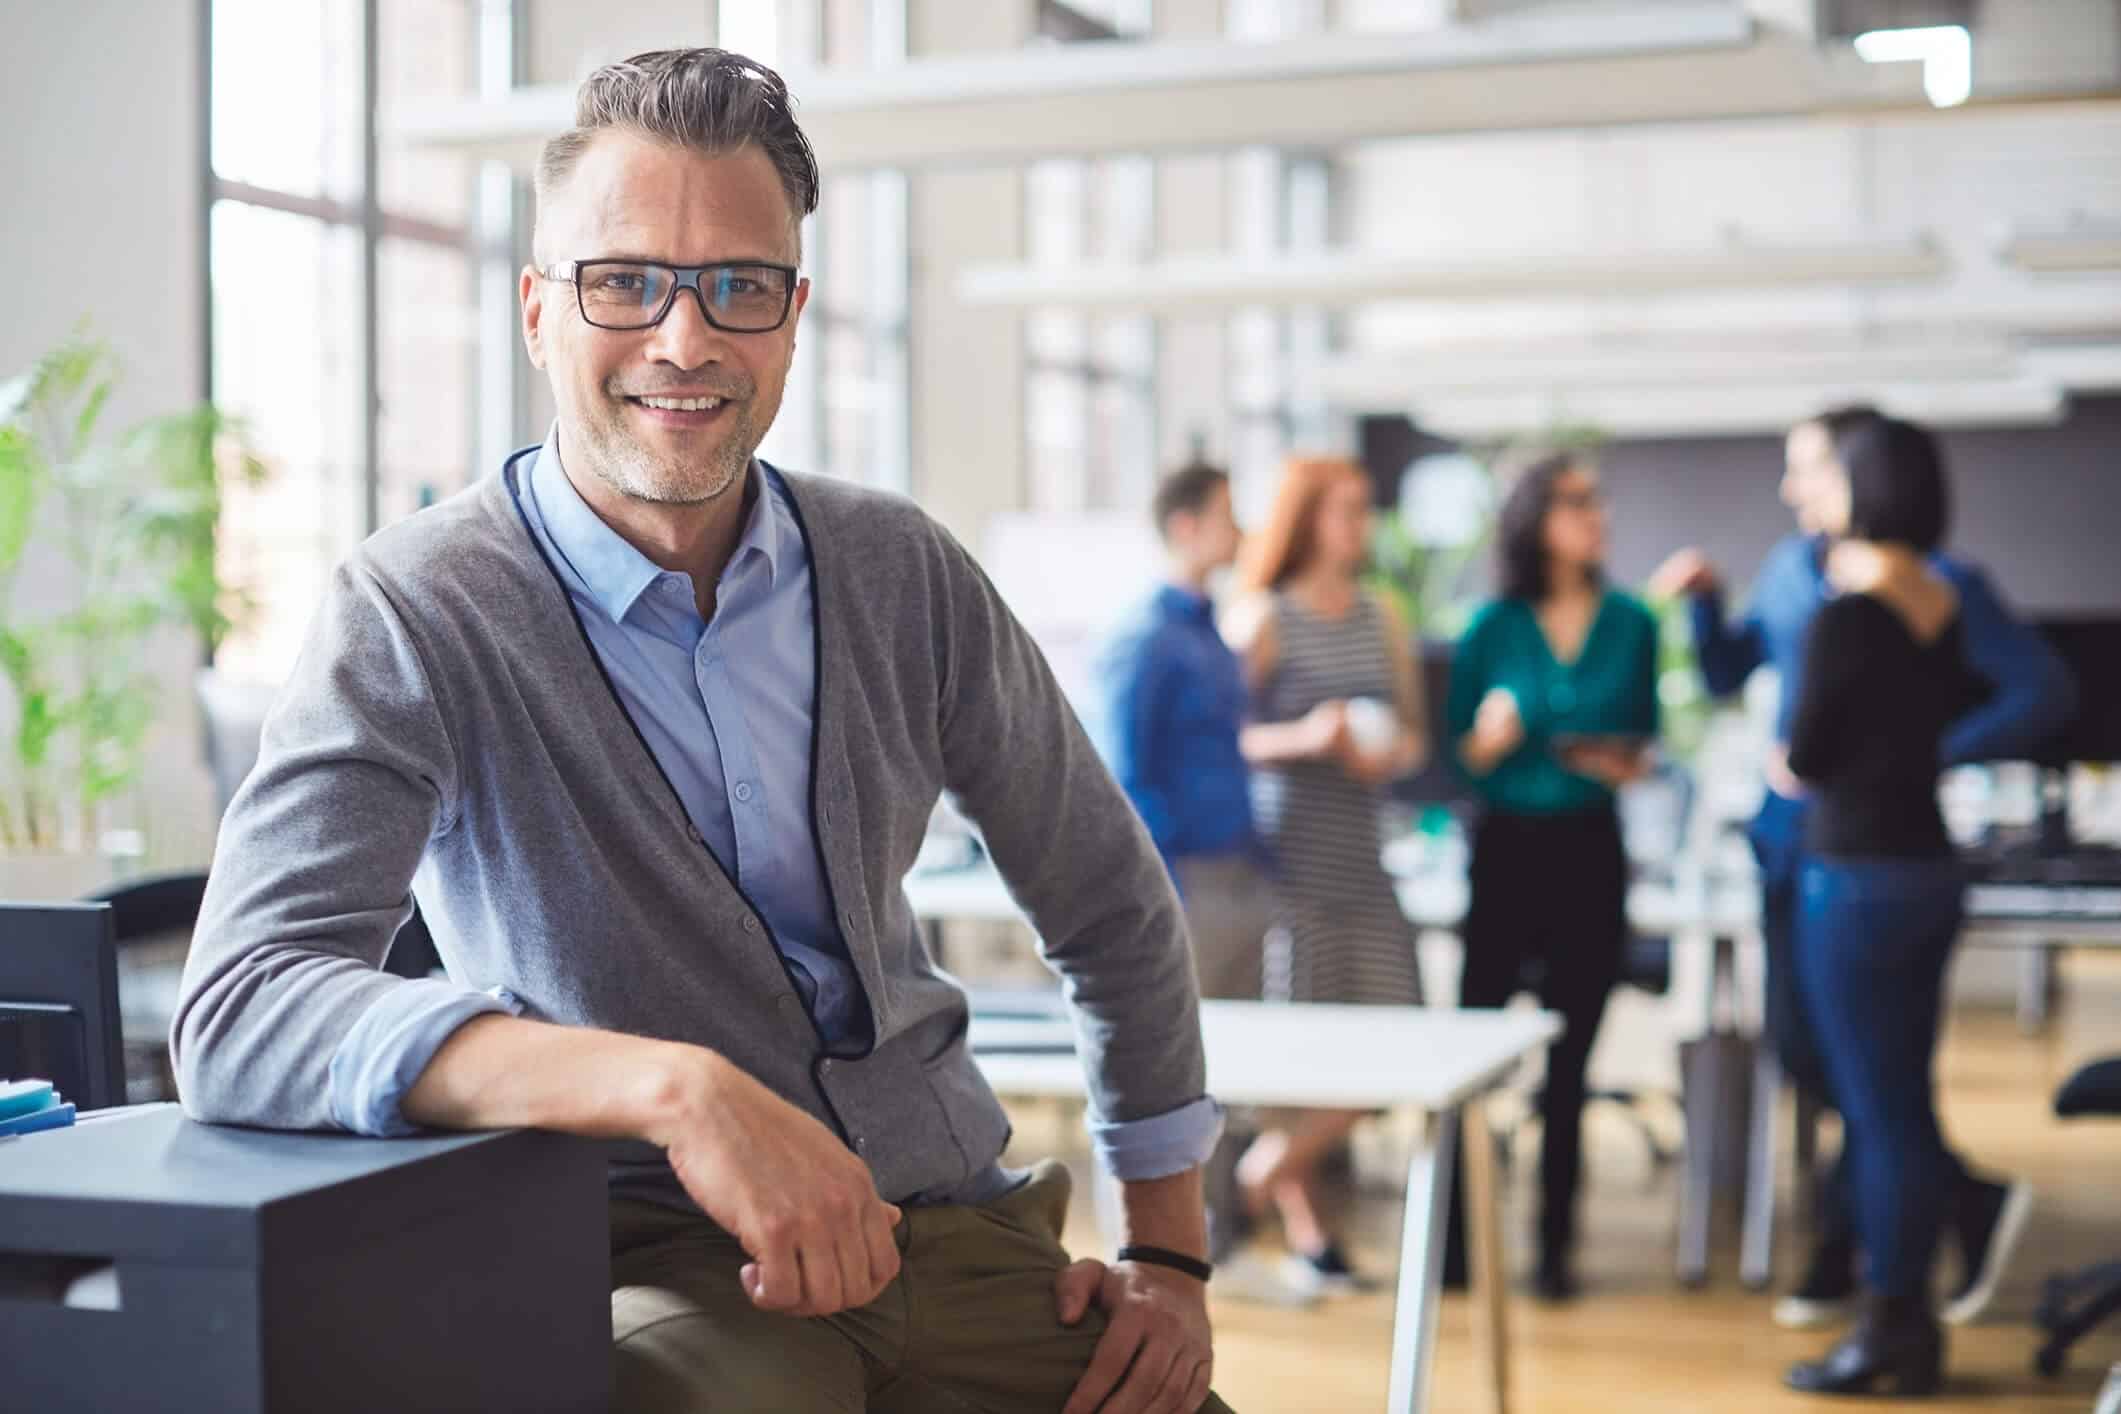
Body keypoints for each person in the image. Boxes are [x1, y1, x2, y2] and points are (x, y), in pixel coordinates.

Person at [171, 49, 1232, 1414]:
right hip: (665, 1264)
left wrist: (1169, 1250)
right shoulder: (419, 610)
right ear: (539, 311)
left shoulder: (900, 571)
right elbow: (246, 1001)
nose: (685, 340)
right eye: (624, 281)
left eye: (738, 286)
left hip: (965, 1235)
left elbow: (1107, 900)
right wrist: (671, 1089)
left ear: (792, 317)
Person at [1653, 407, 2073, 1331]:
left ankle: (1880, 1278)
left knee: (1876, 1087)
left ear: (1857, 480)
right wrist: (1699, 605)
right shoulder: (1798, 575)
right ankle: (1919, 1224)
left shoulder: (1918, 591)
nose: (1792, 488)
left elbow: (2034, 692)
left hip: (1856, 856)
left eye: (1810, 468)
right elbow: (1731, 676)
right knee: (1829, 1063)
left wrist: (1924, 752)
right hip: (1805, 851)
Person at [1779, 414, 1991, 1396]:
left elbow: (1808, 756)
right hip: (1928, 869)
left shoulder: (1846, 613)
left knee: (1877, 1115)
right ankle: (1908, 1322)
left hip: (1854, 876)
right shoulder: (1939, 604)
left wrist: (1785, 761)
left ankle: (1890, 1324)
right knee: (1903, 1099)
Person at [1441, 452, 1662, 1303]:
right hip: (1503, 851)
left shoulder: (1633, 622)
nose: (1593, 515)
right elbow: (1458, 755)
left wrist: (1613, 761)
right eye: (1573, 502)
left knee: (1571, 1060)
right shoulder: (1490, 627)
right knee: (1469, 1053)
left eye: (1595, 500)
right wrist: (1489, 742)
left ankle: (1555, 1248)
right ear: (1534, 519)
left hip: (1588, 849)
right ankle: (1454, 1245)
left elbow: (1640, 743)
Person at [1222, 454, 1427, 1295]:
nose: (1360, 525)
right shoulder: (1260, 618)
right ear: (1305, 519)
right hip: (1288, 862)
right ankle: (1310, 1234)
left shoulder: (1383, 616)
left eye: (1364, 509)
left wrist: (1386, 757)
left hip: (1361, 857)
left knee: (1398, 1039)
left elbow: (1414, 735)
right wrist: (1306, 738)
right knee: (1300, 1051)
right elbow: (1224, 741)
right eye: (1345, 510)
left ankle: (1263, 1173)